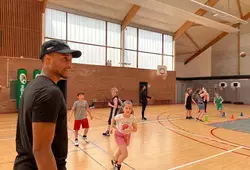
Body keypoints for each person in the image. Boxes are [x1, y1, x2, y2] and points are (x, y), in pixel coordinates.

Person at [13, 39, 81, 170]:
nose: (70, 65)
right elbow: (41, 150)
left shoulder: (31, 86)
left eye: (70, 60)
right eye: (65, 59)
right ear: (48, 59)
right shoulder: (50, 93)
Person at [110, 100, 137, 170]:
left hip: (127, 136)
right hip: (119, 135)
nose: (128, 110)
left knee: (121, 150)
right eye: (126, 108)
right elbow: (113, 119)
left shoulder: (133, 118)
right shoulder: (119, 116)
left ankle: (114, 160)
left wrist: (130, 130)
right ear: (123, 109)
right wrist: (111, 127)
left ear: (132, 109)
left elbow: (135, 129)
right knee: (125, 154)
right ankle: (117, 166)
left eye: (130, 108)